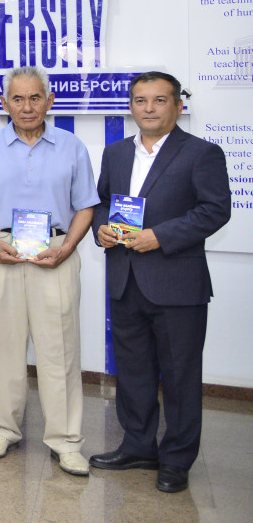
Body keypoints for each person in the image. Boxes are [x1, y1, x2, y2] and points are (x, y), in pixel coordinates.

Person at [89, 71, 231, 493]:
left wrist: (160, 236)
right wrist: (101, 229)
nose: (148, 109)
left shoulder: (202, 153)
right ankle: (138, 447)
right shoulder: (116, 153)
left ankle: (176, 459)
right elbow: (102, 203)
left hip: (177, 284)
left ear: (178, 106)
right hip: (125, 279)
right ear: (131, 106)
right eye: (140, 100)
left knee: (180, 376)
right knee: (133, 372)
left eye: (159, 100)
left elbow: (215, 210)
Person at [0, 66, 99, 476]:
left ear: (49, 101)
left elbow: (86, 206)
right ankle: (2, 429)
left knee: (60, 350)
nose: (27, 106)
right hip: (2, 251)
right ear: (4, 103)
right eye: (18, 99)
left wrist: (67, 248)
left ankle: (66, 440)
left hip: (55, 253)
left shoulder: (72, 146)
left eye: (35, 97)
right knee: (2, 347)